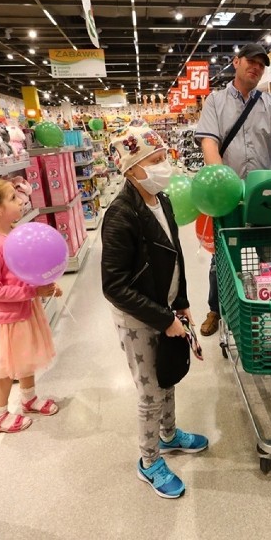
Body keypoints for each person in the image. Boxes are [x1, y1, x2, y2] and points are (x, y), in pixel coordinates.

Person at [102, 126, 208, 499]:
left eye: (164, 157)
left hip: (166, 307)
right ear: (131, 169)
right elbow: (113, 286)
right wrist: (164, 320)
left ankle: (169, 435)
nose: (166, 167)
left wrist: (181, 304)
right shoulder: (120, 215)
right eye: (156, 160)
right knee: (150, 392)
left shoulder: (160, 199)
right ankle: (148, 462)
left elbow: (174, 252)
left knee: (168, 376)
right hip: (139, 317)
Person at [194, 43, 271, 336]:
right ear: (236, 62)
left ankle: (264, 308)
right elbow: (209, 142)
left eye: (261, 65)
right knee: (222, 256)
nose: (256, 67)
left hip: (264, 197)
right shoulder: (215, 101)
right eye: (251, 61)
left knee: (268, 252)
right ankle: (216, 309)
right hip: (229, 197)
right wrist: (223, 183)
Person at [0, 178, 61, 434]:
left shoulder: (11, 234)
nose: (20, 201)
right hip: (6, 319)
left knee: (26, 358)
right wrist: (33, 290)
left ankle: (28, 398)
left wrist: (47, 284)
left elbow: (25, 269)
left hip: (24, 310)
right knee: (6, 369)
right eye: (12, 198)